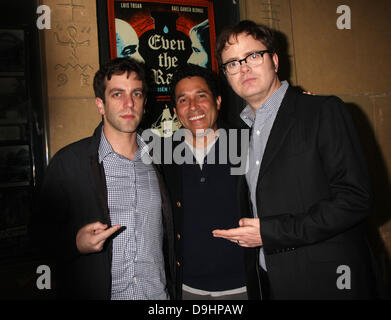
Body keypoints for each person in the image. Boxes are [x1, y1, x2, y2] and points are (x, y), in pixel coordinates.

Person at [212, 20, 381, 299]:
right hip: (271, 282)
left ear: (274, 60)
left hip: (328, 282)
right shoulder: (241, 133)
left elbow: (356, 198)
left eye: (253, 56)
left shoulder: (321, 111)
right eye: (232, 63)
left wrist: (271, 232)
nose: (243, 68)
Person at [30, 58, 175, 300]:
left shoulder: (162, 160)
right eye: (117, 94)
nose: (129, 104)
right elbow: (37, 237)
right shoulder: (69, 163)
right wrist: (75, 242)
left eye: (136, 94)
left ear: (144, 102)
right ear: (100, 104)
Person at [160, 63, 258, 299]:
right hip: (185, 289)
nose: (193, 107)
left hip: (244, 286)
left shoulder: (249, 145)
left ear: (218, 101)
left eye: (201, 96)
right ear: (175, 110)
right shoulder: (161, 156)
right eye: (183, 100)